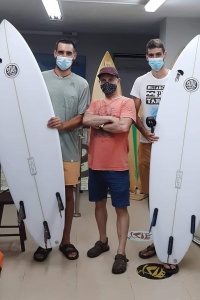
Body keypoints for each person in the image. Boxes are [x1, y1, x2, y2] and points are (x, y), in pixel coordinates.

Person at [33, 38, 90, 262]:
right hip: (42, 150)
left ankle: (65, 240)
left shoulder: (82, 84)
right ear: (54, 53)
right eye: (61, 52)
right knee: (43, 196)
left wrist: (64, 125)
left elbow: (83, 116)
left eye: (69, 53)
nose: (64, 56)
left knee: (67, 196)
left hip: (68, 150)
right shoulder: (40, 79)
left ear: (74, 56)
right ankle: (44, 241)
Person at [130, 38, 179, 274]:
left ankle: (174, 242)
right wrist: (144, 132)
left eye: (158, 54)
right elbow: (132, 112)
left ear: (165, 54)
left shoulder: (176, 79)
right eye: (151, 55)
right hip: (147, 145)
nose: (155, 58)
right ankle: (155, 241)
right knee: (153, 197)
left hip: (172, 148)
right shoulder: (141, 81)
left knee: (172, 195)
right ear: (146, 57)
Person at [83, 66, 136, 274]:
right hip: (96, 164)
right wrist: (111, 120)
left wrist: (100, 124)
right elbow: (86, 120)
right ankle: (102, 241)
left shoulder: (127, 102)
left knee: (120, 208)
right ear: (99, 82)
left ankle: (121, 253)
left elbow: (123, 128)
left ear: (117, 80)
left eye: (110, 79)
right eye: (102, 79)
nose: (106, 82)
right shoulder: (95, 103)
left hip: (117, 166)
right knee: (99, 205)